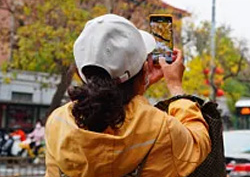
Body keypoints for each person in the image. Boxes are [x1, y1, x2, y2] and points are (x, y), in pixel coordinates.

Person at [45, 14, 211, 177]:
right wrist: (175, 86)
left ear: (82, 74)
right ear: (144, 69)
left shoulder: (58, 122)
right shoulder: (160, 129)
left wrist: (140, 82)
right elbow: (199, 142)